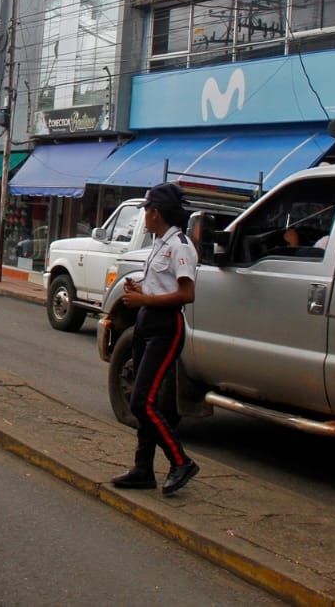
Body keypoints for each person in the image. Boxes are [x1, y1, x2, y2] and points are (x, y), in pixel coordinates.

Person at [112, 182, 201, 496]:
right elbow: (161, 286)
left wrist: (146, 301)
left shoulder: (180, 246)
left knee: (142, 401)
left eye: (147, 210)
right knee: (142, 397)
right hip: (146, 325)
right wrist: (141, 292)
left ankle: (181, 461)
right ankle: (143, 469)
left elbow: (186, 294)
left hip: (166, 328)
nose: (144, 216)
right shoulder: (159, 243)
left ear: (157, 212)